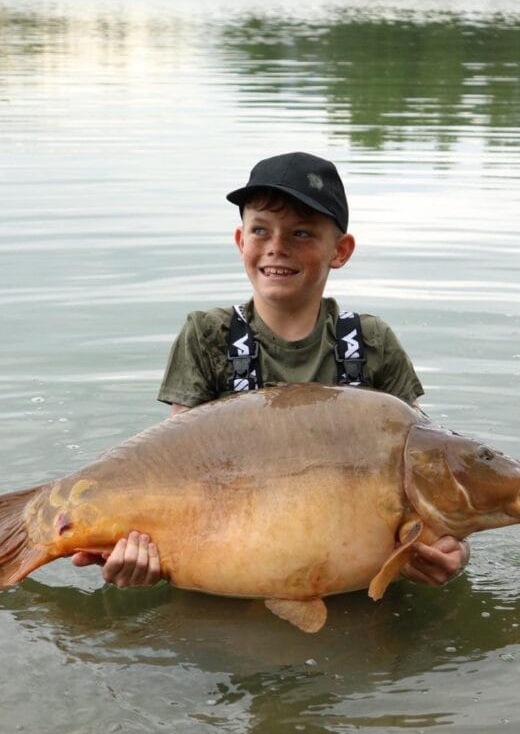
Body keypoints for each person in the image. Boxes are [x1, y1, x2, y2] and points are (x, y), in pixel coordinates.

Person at [73, 152, 470, 589]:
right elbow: (174, 468)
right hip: (231, 570)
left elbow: (430, 475)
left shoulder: (371, 341)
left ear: (340, 250)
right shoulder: (207, 334)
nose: (277, 246)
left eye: (301, 233)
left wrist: (451, 547)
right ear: (241, 240)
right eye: (261, 230)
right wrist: (140, 551)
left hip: (355, 581)